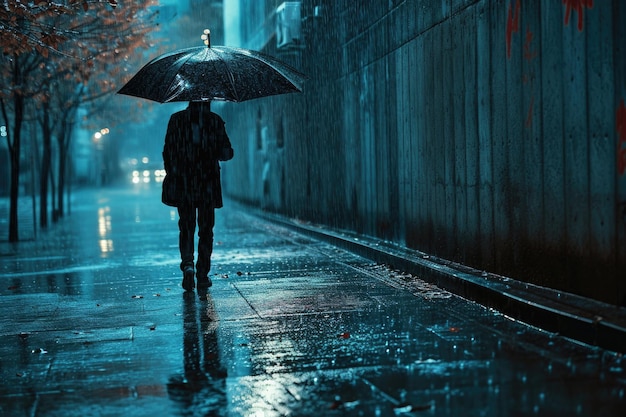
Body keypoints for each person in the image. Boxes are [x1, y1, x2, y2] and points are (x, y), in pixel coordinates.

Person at [162, 101, 234, 291]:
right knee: (205, 230)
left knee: (186, 227)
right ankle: (202, 274)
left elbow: (167, 152)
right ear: (207, 101)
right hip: (207, 185)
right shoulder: (214, 121)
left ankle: (187, 264)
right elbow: (227, 153)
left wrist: (176, 173)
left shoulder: (176, 120)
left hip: (184, 184)